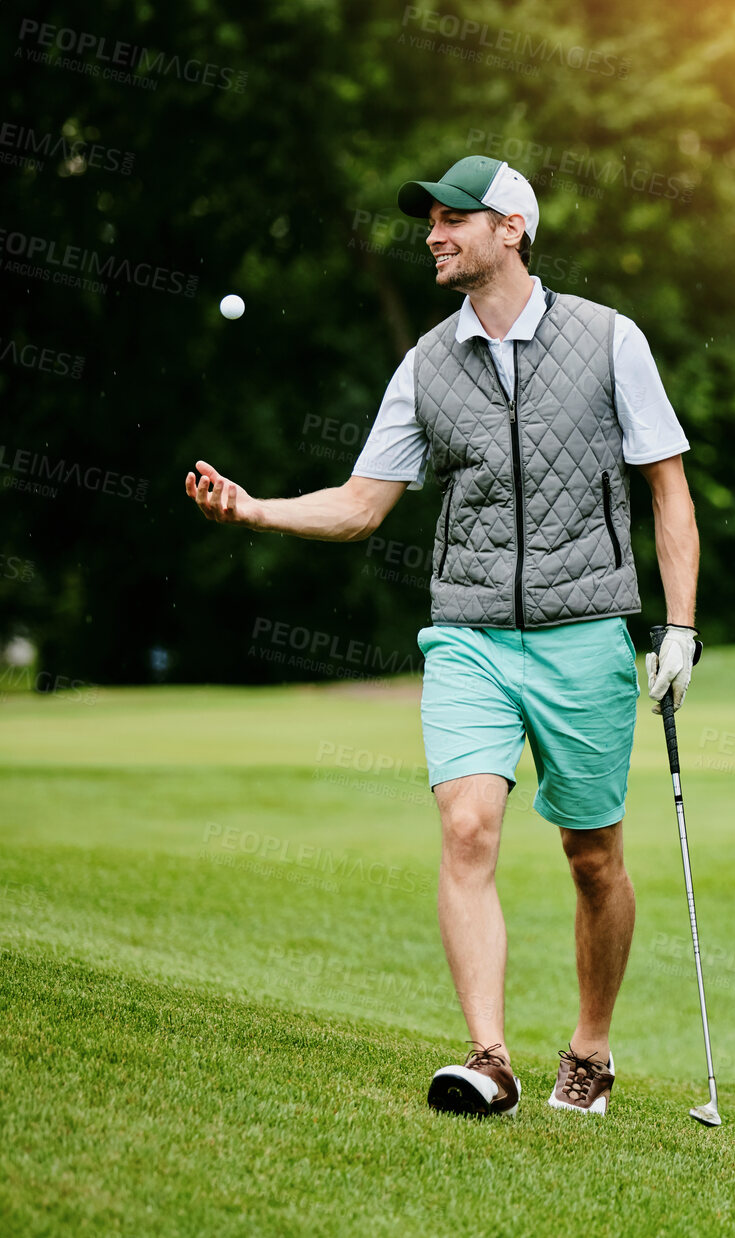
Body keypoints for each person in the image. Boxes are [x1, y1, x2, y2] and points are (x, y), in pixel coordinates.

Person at [185, 155, 701, 1119]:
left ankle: (589, 1050)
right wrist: (255, 511)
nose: (432, 233)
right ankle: (489, 1058)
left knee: (593, 857)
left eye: (452, 218)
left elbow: (667, 489)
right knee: (466, 829)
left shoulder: (610, 339)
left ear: (511, 227)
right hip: (466, 632)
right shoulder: (425, 364)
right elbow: (359, 505)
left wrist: (679, 629)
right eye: (428, 221)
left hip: (586, 629)